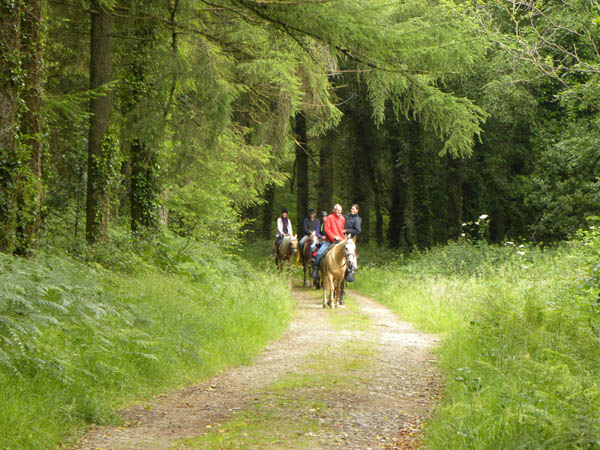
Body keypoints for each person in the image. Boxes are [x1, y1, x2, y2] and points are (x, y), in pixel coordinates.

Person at [311, 204, 345, 280]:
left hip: (340, 241)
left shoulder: (342, 219)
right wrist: (333, 236)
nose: (339, 212)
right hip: (330, 241)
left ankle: (349, 271)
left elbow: (341, 230)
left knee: (350, 253)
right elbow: (326, 229)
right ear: (334, 210)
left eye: (340, 210)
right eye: (337, 210)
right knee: (319, 253)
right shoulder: (330, 217)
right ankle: (315, 269)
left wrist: (343, 238)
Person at [339, 204, 361, 305]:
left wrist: (347, 231)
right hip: (341, 237)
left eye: (354, 209)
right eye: (351, 208)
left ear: (357, 210)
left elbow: (358, 230)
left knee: (351, 254)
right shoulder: (345, 216)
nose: (352, 210)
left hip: (351, 238)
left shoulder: (357, 219)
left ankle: (351, 269)